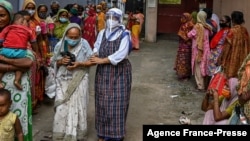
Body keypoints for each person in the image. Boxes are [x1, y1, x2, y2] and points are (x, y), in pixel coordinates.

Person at [90, 8, 132, 141]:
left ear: (119, 19)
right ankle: (102, 133)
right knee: (102, 102)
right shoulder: (102, 33)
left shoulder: (125, 34)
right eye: (108, 17)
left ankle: (116, 135)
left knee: (118, 102)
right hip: (103, 73)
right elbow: (96, 46)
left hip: (120, 72)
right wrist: (95, 52)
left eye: (114, 18)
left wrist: (102, 60)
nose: (110, 20)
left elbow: (122, 53)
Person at [51, 23, 94, 140]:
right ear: (66, 35)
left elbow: (93, 60)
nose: (73, 40)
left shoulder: (84, 44)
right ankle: (60, 134)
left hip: (79, 78)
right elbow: (52, 62)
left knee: (79, 106)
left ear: (80, 35)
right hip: (62, 80)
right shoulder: (60, 45)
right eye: (71, 37)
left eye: (76, 37)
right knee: (61, 107)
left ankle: (77, 134)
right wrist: (60, 62)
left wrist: (79, 64)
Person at [0, 1, 34, 140]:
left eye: (2, 15)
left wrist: (6, 62)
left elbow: (29, 61)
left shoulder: (19, 32)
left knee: (19, 120)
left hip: (18, 87)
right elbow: (24, 63)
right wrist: (18, 65)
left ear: (10, 16)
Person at [0, 13, 37, 90]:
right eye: (27, 21)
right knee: (20, 66)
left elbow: (1, 39)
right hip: (20, 52)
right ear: (22, 21)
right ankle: (17, 80)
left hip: (6, 50)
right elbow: (33, 41)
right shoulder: (28, 30)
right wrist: (35, 50)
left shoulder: (9, 27)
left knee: (2, 63)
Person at [217, 11, 250, 79]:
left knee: (230, 79)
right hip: (243, 59)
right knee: (239, 78)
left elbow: (227, 48)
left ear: (233, 20)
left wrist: (222, 59)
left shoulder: (232, 31)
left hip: (232, 59)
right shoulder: (245, 30)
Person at [187, 10, 212, 91]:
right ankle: (205, 85)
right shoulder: (207, 26)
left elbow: (190, 34)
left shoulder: (197, 26)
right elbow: (210, 34)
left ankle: (200, 86)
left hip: (198, 50)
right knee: (204, 66)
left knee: (198, 67)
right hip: (206, 49)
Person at [174, 12, 194, 81]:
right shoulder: (192, 25)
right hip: (189, 46)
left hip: (184, 46)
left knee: (183, 60)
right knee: (187, 60)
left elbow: (183, 36)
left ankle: (183, 75)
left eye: (183, 17)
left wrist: (185, 38)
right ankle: (187, 75)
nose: (181, 19)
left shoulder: (184, 26)